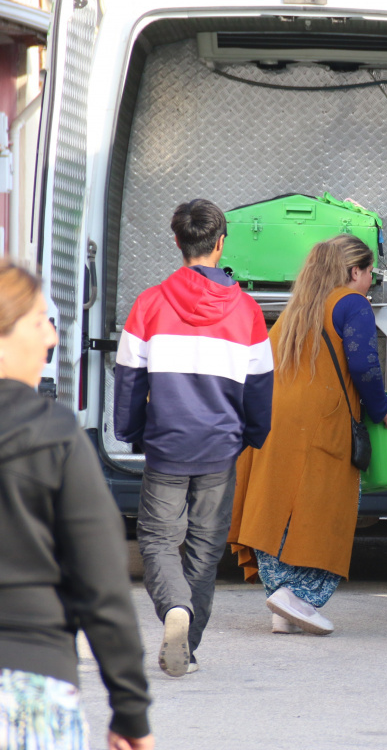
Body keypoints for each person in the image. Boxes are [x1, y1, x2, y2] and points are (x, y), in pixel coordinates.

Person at [114, 199, 273, 678]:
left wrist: (131, 431)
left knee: (159, 539)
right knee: (205, 548)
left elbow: (128, 377)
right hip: (220, 448)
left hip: (167, 444)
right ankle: (190, 642)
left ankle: (174, 609)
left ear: (178, 241)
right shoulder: (246, 311)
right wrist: (253, 434)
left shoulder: (150, 303)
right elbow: (260, 385)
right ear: (220, 242)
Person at [0, 261, 153, 750]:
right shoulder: (52, 433)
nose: (50, 337)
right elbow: (101, 582)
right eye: (41, 319)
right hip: (28, 683)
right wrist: (130, 709)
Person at [229, 234, 387, 636]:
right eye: (369, 275)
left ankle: (282, 603)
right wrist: (381, 408)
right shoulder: (351, 303)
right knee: (323, 511)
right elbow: (364, 365)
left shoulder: (298, 307)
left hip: (274, 421)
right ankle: (298, 598)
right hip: (321, 424)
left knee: (279, 507)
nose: (370, 285)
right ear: (353, 271)